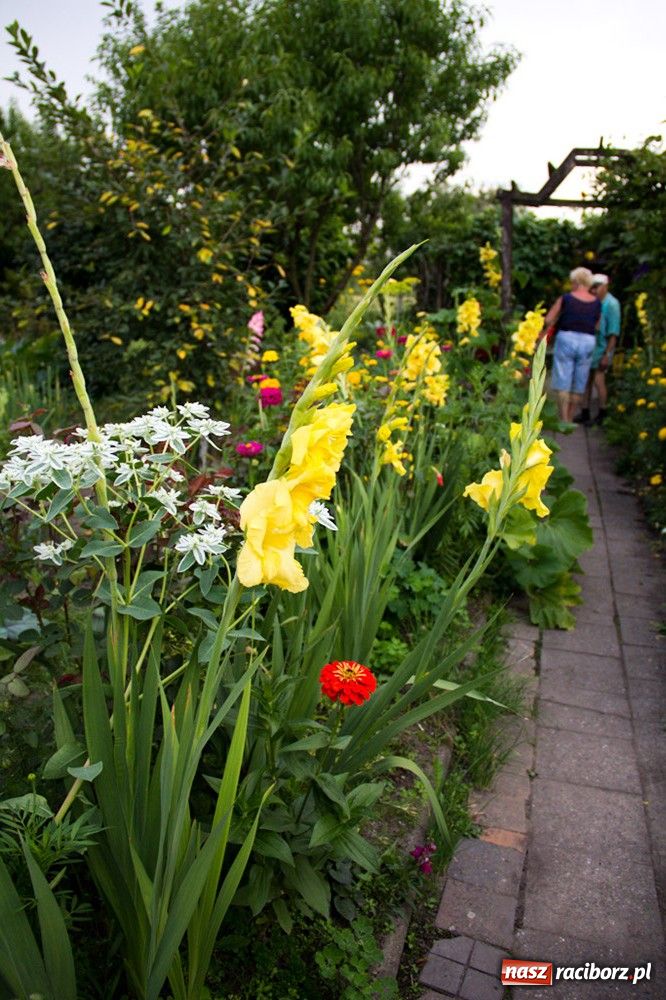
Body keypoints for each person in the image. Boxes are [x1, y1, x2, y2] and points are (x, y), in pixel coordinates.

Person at [541, 267, 601, 423]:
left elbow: (548, 319)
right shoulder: (596, 302)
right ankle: (571, 414)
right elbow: (597, 326)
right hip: (588, 341)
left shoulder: (566, 298)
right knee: (580, 379)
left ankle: (564, 418)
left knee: (563, 377)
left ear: (576, 281)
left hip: (567, 338)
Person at [574, 274, 621, 425]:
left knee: (599, 380)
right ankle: (585, 412)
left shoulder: (612, 304)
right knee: (586, 380)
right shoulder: (594, 301)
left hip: (603, 348)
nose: (594, 290)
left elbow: (613, 333)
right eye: (592, 287)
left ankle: (602, 413)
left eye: (597, 287)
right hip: (590, 346)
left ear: (605, 286)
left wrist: (607, 355)